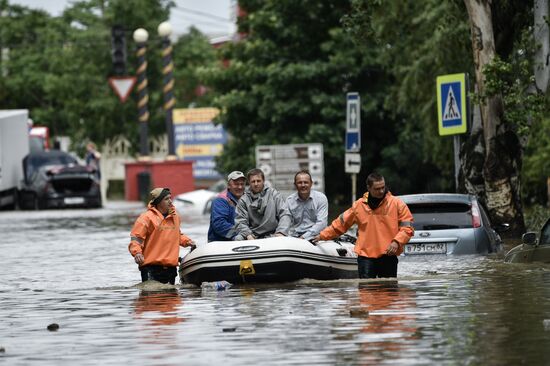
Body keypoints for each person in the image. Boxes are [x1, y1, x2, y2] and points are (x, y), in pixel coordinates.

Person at [313, 173, 414, 278]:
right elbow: (340, 224)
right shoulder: (358, 205)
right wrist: (321, 236)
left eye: (383, 187)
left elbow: (407, 228)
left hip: (388, 255)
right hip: (365, 257)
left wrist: (397, 242)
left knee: (388, 291)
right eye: (377, 188)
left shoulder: (397, 204)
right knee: (366, 291)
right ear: (369, 188)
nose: (381, 191)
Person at [128, 187, 195, 284]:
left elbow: (177, 235)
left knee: (171, 298)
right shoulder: (146, 218)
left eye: (170, 198)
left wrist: (188, 241)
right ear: (158, 202)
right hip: (150, 268)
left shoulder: (175, 217)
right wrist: (137, 253)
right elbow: (136, 239)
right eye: (166, 199)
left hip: (171, 268)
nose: (170, 201)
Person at [234, 168, 291, 240]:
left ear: (263, 181)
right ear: (249, 182)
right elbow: (240, 221)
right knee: (238, 238)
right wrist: (248, 234)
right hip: (252, 235)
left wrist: (281, 232)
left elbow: (285, 214)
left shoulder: (274, 194)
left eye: (258, 181)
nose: (256, 184)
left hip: (274, 233)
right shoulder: (243, 200)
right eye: (253, 181)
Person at [286, 170, 328, 241]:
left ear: (311, 184)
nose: (303, 185)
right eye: (299, 182)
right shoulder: (289, 200)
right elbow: (286, 222)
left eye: (306, 182)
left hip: (316, 237)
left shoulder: (321, 198)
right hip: (295, 237)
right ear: (295, 184)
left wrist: (303, 237)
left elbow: (322, 223)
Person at [207, 171, 246, 242]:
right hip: (220, 243)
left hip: (240, 239)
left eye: (242, 184)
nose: (240, 187)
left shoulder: (247, 198)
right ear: (228, 185)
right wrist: (242, 233)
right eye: (236, 184)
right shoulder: (220, 200)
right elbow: (219, 224)